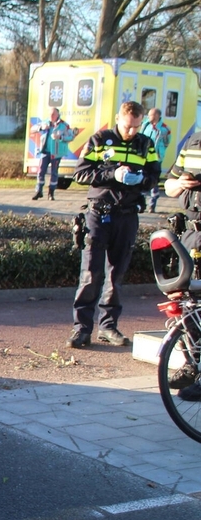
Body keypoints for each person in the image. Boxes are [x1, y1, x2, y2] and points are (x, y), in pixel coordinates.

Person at [67, 101, 161, 349]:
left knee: (116, 275)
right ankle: (82, 329)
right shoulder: (100, 139)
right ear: (118, 118)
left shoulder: (146, 144)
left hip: (128, 215)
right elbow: (81, 173)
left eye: (136, 127)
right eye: (128, 126)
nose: (131, 132)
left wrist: (142, 180)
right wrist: (113, 175)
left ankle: (108, 326)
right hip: (100, 214)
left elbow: (154, 176)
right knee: (91, 273)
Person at [163, 128, 201, 399]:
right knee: (188, 303)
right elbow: (169, 186)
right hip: (191, 236)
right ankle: (193, 362)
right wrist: (181, 184)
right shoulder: (194, 141)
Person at [33, 107, 76, 201]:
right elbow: (33, 129)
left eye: (53, 114)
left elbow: (71, 137)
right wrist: (41, 128)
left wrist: (60, 137)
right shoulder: (45, 122)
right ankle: (38, 190)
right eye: (50, 114)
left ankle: (51, 193)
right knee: (41, 171)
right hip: (45, 151)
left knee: (54, 173)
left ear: (57, 114)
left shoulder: (64, 125)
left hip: (56, 153)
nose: (51, 116)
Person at [140, 107, 172, 212]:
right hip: (144, 157)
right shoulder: (145, 125)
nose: (148, 117)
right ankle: (141, 203)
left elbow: (167, 142)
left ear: (157, 115)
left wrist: (160, 151)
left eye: (151, 115)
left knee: (153, 179)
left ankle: (152, 204)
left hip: (156, 157)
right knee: (143, 178)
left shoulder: (164, 128)